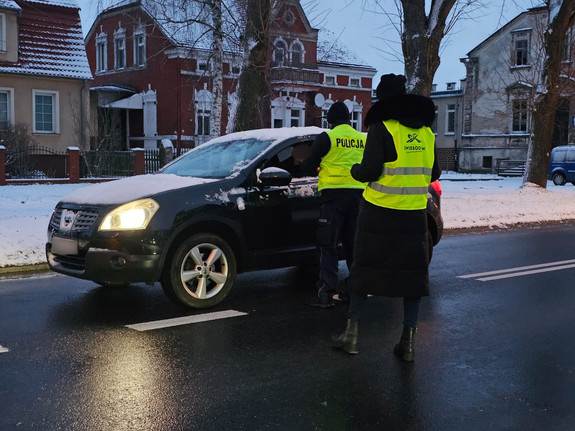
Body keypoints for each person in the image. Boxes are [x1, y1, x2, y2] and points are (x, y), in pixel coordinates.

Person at [333, 74, 441, 361]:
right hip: (414, 215)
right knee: (412, 278)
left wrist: (355, 171)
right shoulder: (427, 133)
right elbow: (435, 173)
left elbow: (369, 170)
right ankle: (407, 342)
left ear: (383, 98)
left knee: (363, 272)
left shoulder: (382, 127)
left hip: (378, 214)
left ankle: (352, 336)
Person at [299, 101, 367, 308]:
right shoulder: (362, 139)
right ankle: (354, 293)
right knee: (354, 247)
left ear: (330, 121)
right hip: (359, 198)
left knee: (327, 246)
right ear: (348, 119)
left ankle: (325, 294)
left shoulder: (327, 137)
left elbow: (308, 167)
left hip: (333, 199)